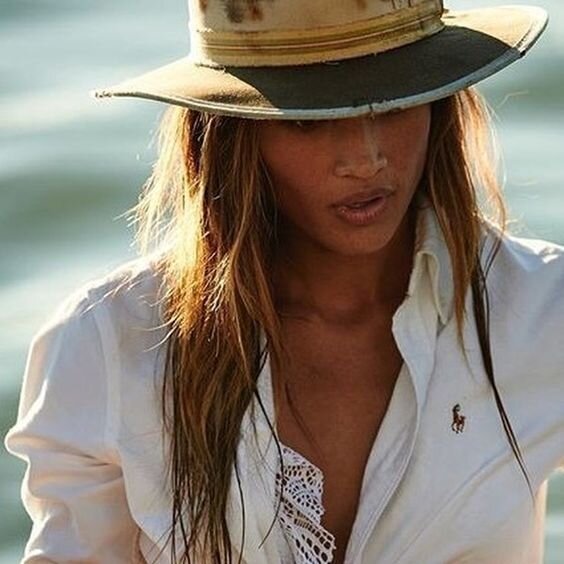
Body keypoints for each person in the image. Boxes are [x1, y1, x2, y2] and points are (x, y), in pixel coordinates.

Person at [4, 0, 563, 563]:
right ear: (231, 131)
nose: (365, 159)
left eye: (395, 104)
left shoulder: (543, 310)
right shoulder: (109, 346)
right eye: (309, 119)